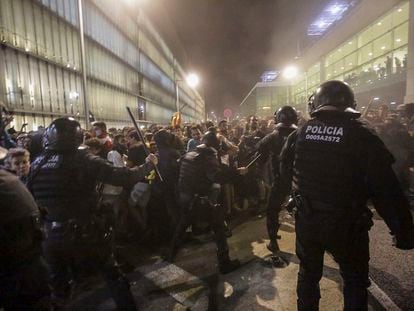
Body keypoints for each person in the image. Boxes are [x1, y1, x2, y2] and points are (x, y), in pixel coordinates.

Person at [280, 80, 414, 310]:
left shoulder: (300, 133)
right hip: (347, 225)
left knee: (308, 276)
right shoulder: (362, 136)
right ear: (350, 104)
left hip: (307, 220)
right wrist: (403, 231)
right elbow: (386, 189)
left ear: (317, 103)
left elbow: (284, 169)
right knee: (354, 282)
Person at [28, 117, 158, 310]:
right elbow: (124, 177)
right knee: (113, 276)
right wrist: (149, 164)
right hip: (85, 231)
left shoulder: (37, 163)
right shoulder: (85, 159)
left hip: (50, 235)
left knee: (59, 289)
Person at [167, 128, 248, 274]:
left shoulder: (190, 154)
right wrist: (237, 173)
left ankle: (170, 254)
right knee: (218, 228)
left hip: (186, 198)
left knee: (182, 225)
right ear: (215, 145)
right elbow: (216, 176)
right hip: (200, 200)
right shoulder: (208, 156)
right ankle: (224, 263)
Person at [0, 105, 51, 310]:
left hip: (21, 275)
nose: (21, 166)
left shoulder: (26, 177)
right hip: (30, 270)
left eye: (24, 162)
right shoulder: (11, 181)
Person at [257, 106, 298, 266]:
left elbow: (259, 149)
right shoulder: (301, 133)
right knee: (302, 212)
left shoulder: (273, 136)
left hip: (280, 181)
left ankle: (273, 241)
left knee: (272, 210)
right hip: (298, 181)